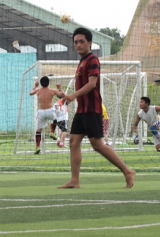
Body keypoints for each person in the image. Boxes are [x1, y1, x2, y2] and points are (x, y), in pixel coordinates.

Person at [58, 27, 136, 189]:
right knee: (73, 142)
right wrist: (68, 96)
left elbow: (92, 84)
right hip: (82, 110)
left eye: (81, 41)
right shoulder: (82, 61)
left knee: (98, 145)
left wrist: (72, 96)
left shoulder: (92, 59)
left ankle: (127, 171)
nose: (78, 45)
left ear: (90, 43)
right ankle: (75, 180)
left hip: (92, 109)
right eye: (75, 42)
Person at [29, 76, 65, 154]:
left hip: (41, 111)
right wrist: (60, 87)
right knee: (55, 119)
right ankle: (52, 132)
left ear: (41, 83)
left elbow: (30, 93)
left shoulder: (38, 90)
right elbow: (63, 95)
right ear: (48, 83)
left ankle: (37, 147)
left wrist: (35, 86)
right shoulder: (52, 90)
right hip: (49, 110)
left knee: (38, 130)